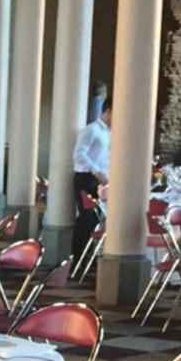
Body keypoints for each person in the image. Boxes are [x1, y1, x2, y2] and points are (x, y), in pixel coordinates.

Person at [71, 99, 111, 260]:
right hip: (86, 177)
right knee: (87, 217)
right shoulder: (91, 130)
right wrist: (97, 172)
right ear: (109, 110)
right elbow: (79, 155)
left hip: (100, 180)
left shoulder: (109, 132)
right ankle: (78, 256)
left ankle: (88, 255)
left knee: (95, 218)